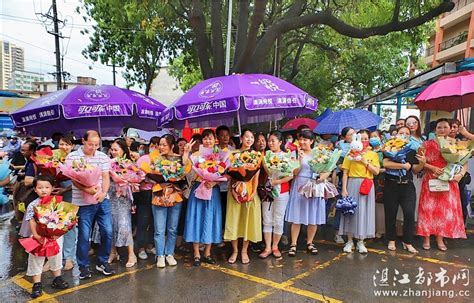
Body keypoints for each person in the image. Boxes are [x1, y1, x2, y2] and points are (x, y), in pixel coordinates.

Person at [66, 130, 115, 279]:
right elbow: (73, 178)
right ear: (83, 141)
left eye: (96, 145)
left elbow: (106, 177)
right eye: (90, 144)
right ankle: (83, 266)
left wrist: (103, 193)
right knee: (84, 235)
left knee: (107, 231)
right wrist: (86, 188)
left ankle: (103, 261)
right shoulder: (73, 156)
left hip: (102, 200)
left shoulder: (103, 156)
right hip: (82, 202)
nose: (93, 148)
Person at [416, 119, 467, 251]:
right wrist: (432, 168)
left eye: (445, 127)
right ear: (435, 129)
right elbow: (420, 162)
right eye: (439, 127)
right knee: (428, 209)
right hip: (431, 179)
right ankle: (426, 237)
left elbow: (463, 161)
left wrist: (458, 174)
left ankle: (440, 238)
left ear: (451, 129)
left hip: (448, 180)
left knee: (444, 211)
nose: (442, 129)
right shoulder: (427, 144)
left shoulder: (455, 144)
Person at [184, 129, 227, 266]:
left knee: (211, 219)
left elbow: (226, 173)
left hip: (212, 190)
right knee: (196, 218)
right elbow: (185, 166)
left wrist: (214, 181)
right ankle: (196, 253)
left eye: (210, 138)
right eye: (205, 138)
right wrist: (186, 152)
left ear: (215, 140)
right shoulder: (196, 155)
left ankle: (207, 252)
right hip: (198, 189)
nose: (207, 141)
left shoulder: (220, 155)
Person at [24, 175, 69, 298]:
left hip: (55, 235)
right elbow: (31, 221)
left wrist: (57, 234)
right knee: (36, 258)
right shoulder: (33, 204)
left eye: (47, 187)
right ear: (35, 189)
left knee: (56, 255)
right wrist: (36, 235)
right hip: (37, 236)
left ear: (52, 188)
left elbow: (63, 220)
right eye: (40, 187)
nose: (43, 190)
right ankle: (37, 284)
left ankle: (57, 278)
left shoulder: (57, 202)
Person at [285, 130, 327, 257]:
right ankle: (293, 244)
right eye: (301, 139)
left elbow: (327, 169)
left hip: (314, 185)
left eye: (305, 139)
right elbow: (294, 173)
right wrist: (299, 159)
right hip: (299, 184)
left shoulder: (319, 154)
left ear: (311, 141)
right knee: (297, 215)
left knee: (313, 215)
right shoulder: (294, 153)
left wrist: (322, 177)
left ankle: (310, 242)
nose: (302, 142)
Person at [152, 135, 191, 268]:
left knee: (173, 228)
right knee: (159, 229)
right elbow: (148, 176)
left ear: (171, 146)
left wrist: (186, 152)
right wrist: (160, 182)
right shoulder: (156, 160)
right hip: (159, 195)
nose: (161, 147)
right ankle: (160, 255)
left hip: (175, 196)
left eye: (164, 145)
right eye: (160, 145)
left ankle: (169, 253)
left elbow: (185, 170)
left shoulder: (179, 159)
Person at [383, 127, 423, 254]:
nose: (404, 135)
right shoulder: (388, 147)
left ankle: (408, 241)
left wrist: (423, 163)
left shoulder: (411, 150)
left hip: (408, 186)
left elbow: (415, 169)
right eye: (401, 133)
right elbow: (385, 163)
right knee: (390, 214)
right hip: (391, 185)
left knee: (409, 214)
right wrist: (402, 165)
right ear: (396, 135)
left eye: (407, 133)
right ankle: (391, 239)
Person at [339, 129, 380, 254]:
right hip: (352, 183)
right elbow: (345, 173)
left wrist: (364, 162)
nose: (364, 141)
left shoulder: (373, 154)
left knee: (365, 212)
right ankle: (350, 241)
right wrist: (344, 189)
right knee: (351, 212)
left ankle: (361, 241)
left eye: (366, 138)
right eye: (361, 138)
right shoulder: (350, 155)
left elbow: (376, 171)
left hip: (367, 184)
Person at [224, 129, 262, 264]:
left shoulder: (256, 155)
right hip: (235, 192)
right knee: (234, 221)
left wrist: (253, 192)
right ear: (241, 139)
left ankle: (244, 250)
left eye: (252, 137)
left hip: (250, 192)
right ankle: (234, 250)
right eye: (247, 137)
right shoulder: (233, 154)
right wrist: (233, 190)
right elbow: (231, 175)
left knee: (247, 222)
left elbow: (255, 176)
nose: (249, 139)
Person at [102, 139, 137, 268]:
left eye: (116, 149)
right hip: (110, 195)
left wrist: (128, 181)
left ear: (123, 150)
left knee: (124, 224)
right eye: (112, 149)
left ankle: (131, 254)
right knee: (110, 225)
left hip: (123, 198)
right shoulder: (107, 163)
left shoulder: (130, 163)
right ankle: (112, 252)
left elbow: (135, 178)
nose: (113, 152)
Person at [259, 131, 292, 259]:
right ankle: (267, 247)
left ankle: (275, 246)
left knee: (278, 219)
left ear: (280, 142)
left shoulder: (286, 156)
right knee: (267, 219)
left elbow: (290, 175)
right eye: (269, 141)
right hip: (267, 191)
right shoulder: (265, 156)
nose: (270, 143)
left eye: (273, 140)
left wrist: (276, 181)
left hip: (282, 190)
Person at [51, 135, 76, 272]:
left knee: (68, 226)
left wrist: (64, 189)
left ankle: (69, 257)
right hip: (52, 194)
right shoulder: (51, 157)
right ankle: (53, 257)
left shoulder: (76, 159)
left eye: (67, 144)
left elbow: (82, 179)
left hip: (69, 194)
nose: (64, 147)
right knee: (51, 225)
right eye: (61, 144)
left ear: (72, 146)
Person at [369, 130, 385, 239]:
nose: (373, 138)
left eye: (375, 136)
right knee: (370, 206)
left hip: (381, 181)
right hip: (369, 180)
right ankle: (370, 229)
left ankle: (380, 230)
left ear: (380, 137)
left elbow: (386, 166)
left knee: (380, 206)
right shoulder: (368, 151)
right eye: (371, 137)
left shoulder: (385, 151)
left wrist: (378, 170)